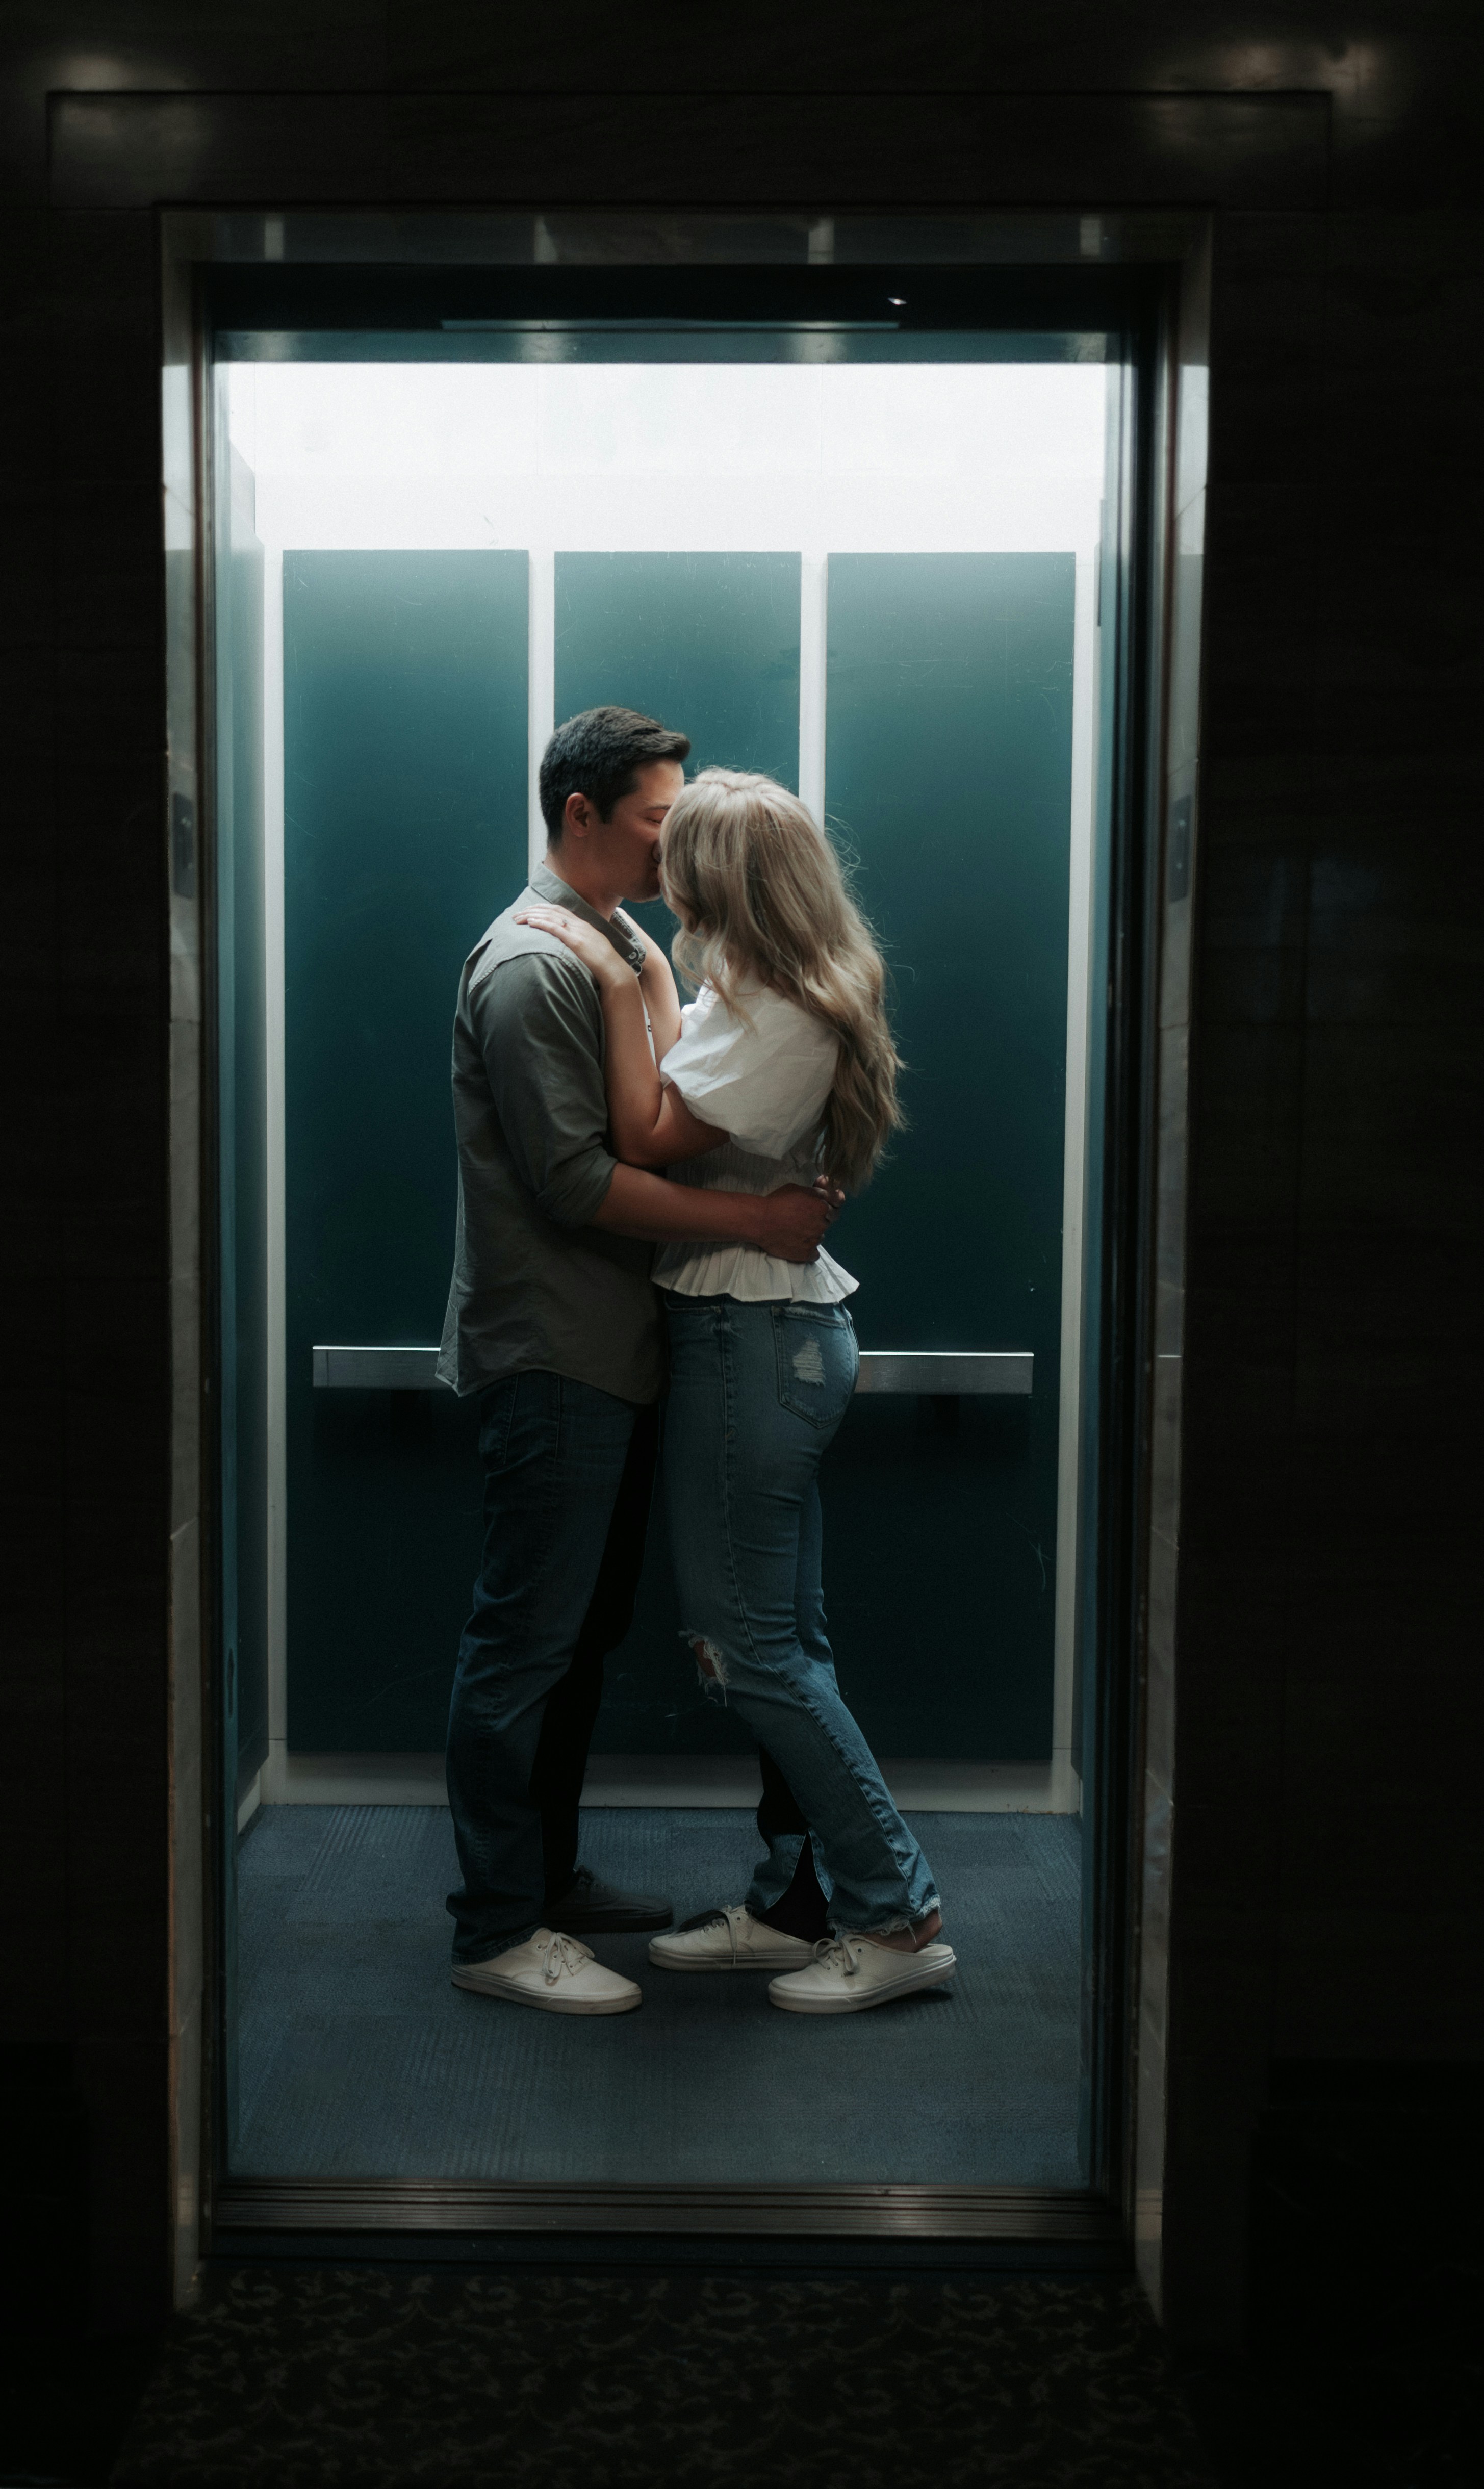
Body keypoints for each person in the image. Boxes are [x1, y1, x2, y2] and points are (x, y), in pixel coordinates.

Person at [516, 767, 955, 2015]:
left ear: (723, 878)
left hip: (746, 1340)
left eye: (681, 857)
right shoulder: (760, 990)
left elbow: (645, 1135)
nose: (664, 877)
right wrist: (657, 973)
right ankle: (802, 1901)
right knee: (780, 1642)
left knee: (750, 1649)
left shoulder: (778, 1014)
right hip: (754, 1335)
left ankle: (896, 1910)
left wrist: (620, 972)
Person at [440, 712, 841, 2016]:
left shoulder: (617, 946)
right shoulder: (530, 965)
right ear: (578, 815)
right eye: (659, 822)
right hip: (556, 1352)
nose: (679, 846)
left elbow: (664, 1104)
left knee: (580, 1637)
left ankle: (545, 1878)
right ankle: (498, 1926)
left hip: (613, 1351)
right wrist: (758, 1223)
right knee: (524, 1643)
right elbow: (576, 1181)